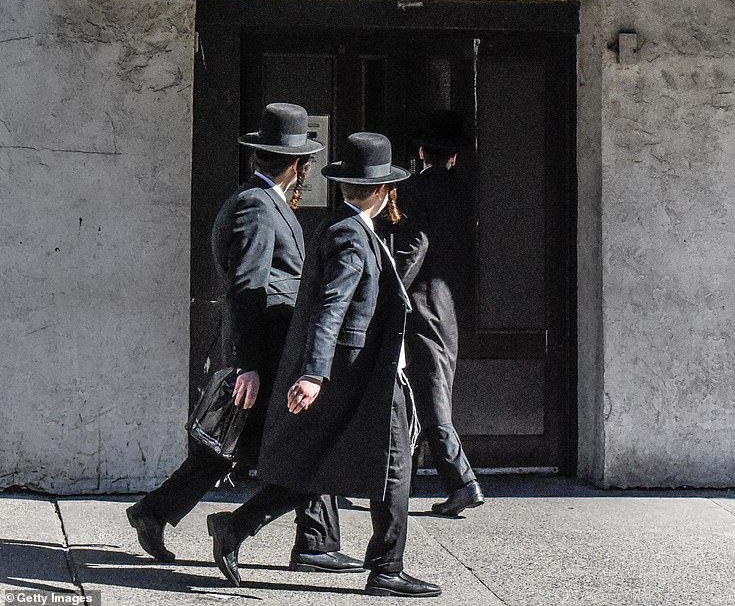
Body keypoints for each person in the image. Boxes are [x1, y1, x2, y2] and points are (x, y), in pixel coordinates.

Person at [127, 103, 361, 575]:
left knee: (232, 444)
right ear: (298, 165)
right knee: (300, 439)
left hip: (272, 348)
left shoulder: (259, 201)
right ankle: (313, 541)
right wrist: (247, 362)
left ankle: (156, 512)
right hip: (267, 351)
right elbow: (246, 289)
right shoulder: (256, 207)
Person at [206, 132, 442, 598]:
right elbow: (330, 308)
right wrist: (313, 373)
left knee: (321, 462)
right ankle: (387, 568)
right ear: (382, 190)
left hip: (354, 373)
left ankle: (235, 527)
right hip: (359, 377)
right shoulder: (352, 236)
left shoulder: (345, 227)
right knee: (394, 467)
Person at [394, 111, 483, 517]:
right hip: (450, 303)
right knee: (433, 386)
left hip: (424, 300)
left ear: (423, 152)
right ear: (454, 157)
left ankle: (462, 481)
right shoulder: (466, 192)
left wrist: (392, 290)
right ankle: (404, 475)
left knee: (430, 395)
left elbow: (415, 247)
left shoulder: (413, 191)